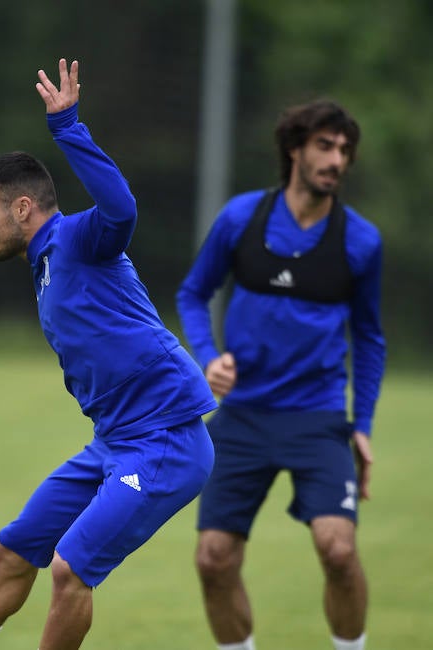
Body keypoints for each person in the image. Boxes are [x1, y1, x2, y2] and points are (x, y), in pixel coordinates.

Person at [0, 58, 217, 650]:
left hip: (166, 440)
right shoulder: (46, 264)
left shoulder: (78, 240)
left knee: (70, 570)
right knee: (15, 548)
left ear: (23, 208)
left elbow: (123, 211)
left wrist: (68, 127)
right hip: (114, 441)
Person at [175, 99, 387, 650]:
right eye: (324, 145)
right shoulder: (242, 218)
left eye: (344, 150)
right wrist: (208, 356)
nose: (336, 159)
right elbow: (193, 294)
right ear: (294, 149)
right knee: (213, 559)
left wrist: (360, 423)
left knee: (338, 550)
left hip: (317, 418)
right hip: (242, 415)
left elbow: (369, 338)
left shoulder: (361, 241)